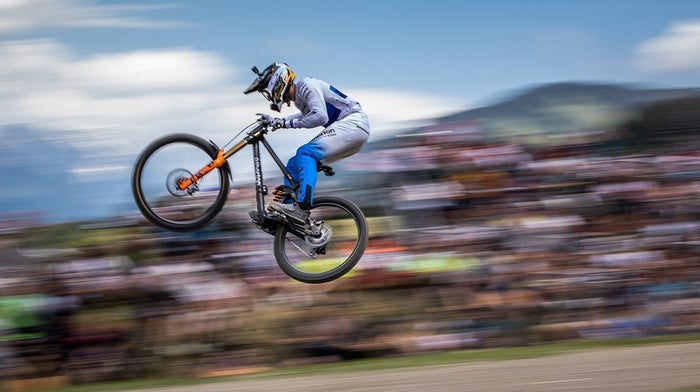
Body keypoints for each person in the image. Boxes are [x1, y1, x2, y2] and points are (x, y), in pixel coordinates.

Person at [244, 62, 370, 223]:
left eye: (267, 90)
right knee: (293, 164)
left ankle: (302, 207)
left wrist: (285, 124)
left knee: (305, 152)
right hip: (352, 134)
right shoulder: (300, 98)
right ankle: (287, 212)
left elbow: (320, 116)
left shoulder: (305, 85)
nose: (268, 95)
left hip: (353, 124)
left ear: (277, 81)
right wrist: (277, 120)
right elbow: (303, 116)